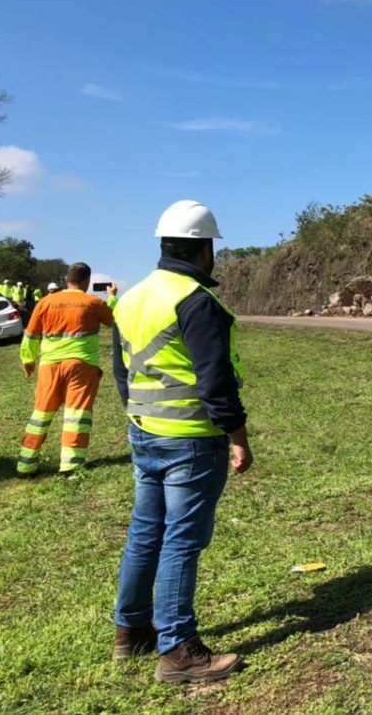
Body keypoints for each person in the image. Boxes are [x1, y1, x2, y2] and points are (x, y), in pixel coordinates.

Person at [111, 200, 253, 683]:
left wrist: (140, 419)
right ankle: (177, 651)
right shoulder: (196, 301)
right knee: (181, 541)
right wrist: (239, 437)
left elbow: (122, 372)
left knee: (145, 533)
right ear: (205, 249)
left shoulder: (129, 299)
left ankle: (130, 632)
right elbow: (216, 382)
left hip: (145, 433)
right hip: (192, 439)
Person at [17, 263, 118, 476]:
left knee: (41, 414)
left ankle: (26, 464)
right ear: (87, 281)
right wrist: (113, 297)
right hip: (82, 365)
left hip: (49, 365)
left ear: (66, 279)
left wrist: (28, 360)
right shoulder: (93, 302)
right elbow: (116, 321)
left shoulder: (45, 302)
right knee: (76, 415)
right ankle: (70, 466)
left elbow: (31, 334)